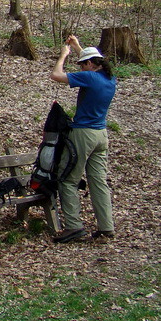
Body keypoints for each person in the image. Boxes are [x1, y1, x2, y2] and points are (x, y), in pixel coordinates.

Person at [49, 35, 116, 243]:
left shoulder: (90, 77)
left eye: (82, 64)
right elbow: (91, 63)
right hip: (101, 136)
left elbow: (56, 75)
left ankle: (73, 227)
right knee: (98, 182)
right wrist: (78, 47)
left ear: (89, 64)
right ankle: (106, 227)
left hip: (83, 134)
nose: (81, 68)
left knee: (67, 178)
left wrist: (63, 56)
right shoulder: (108, 78)